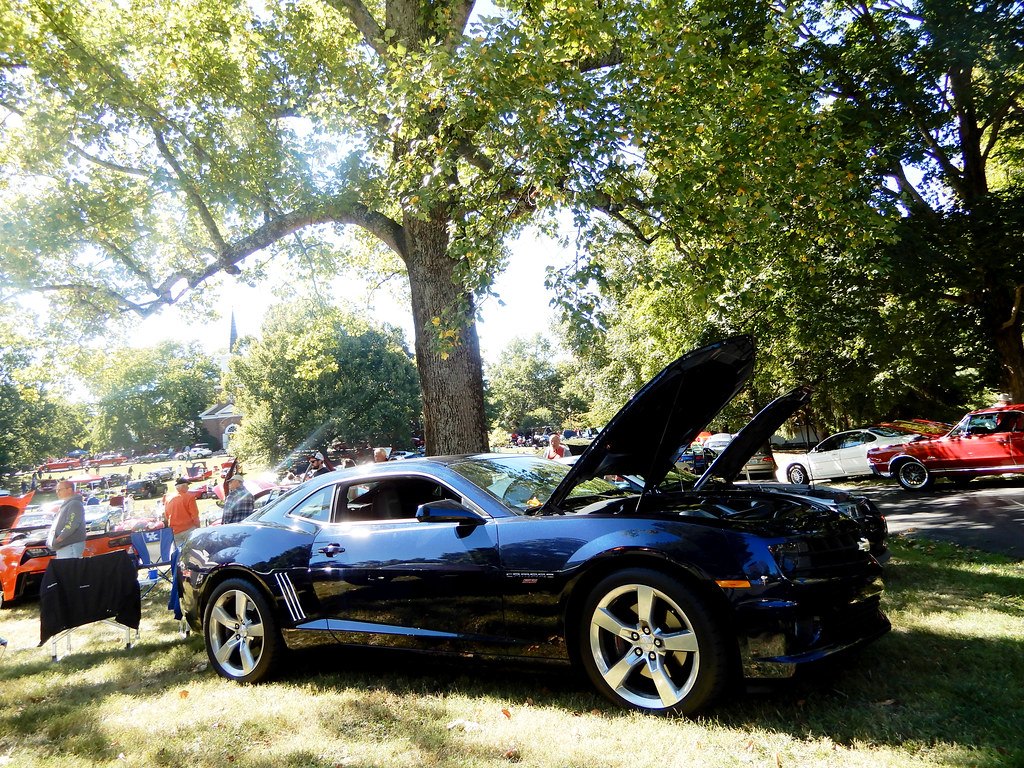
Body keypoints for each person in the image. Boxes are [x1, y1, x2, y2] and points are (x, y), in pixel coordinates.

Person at [47, 480, 86, 558]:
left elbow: (71, 525)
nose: (57, 492)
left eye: (59, 489)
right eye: (56, 490)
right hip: (65, 546)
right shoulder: (67, 504)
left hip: (70, 545)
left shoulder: (74, 504)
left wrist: (59, 539)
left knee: (70, 566)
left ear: (70, 490)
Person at [164, 478, 201, 547]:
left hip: (174, 530)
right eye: (187, 485)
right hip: (188, 528)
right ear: (183, 486)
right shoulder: (189, 497)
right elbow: (194, 514)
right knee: (193, 549)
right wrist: (198, 526)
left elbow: (166, 514)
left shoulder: (168, 498)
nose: (188, 488)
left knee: (178, 551)